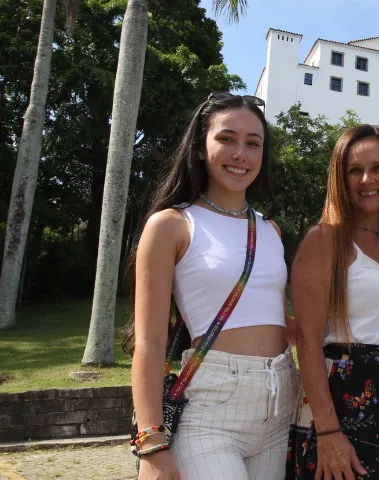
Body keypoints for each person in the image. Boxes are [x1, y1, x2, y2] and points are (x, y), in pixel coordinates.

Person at [124, 92, 297, 480]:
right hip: (212, 410)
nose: (241, 153)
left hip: (281, 398)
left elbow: (270, 315)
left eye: (253, 144)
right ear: (201, 147)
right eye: (226, 139)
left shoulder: (271, 230)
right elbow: (150, 340)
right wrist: (150, 442)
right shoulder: (171, 225)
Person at [287, 125, 379, 479]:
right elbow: (308, 339)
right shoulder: (326, 239)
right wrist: (329, 432)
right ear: (340, 177)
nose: (367, 179)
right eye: (355, 170)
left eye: (378, 168)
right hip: (346, 401)